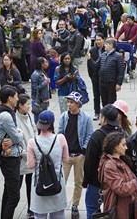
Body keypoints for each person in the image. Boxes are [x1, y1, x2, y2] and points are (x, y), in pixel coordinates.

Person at [98, 131, 137, 219]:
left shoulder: (122, 161)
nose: (126, 148)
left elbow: (134, 185)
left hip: (128, 209)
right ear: (115, 146)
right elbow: (122, 189)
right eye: (123, 145)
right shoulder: (109, 165)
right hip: (118, 211)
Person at [27, 110, 69, 219]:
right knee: (58, 214)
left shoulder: (32, 142)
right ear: (52, 123)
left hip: (39, 184)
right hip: (57, 183)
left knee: (39, 215)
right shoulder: (61, 138)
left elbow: (30, 166)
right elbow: (66, 159)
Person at [58, 91, 94, 219]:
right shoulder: (63, 117)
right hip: (66, 156)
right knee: (62, 181)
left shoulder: (87, 118)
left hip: (79, 156)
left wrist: (83, 152)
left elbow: (90, 135)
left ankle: (75, 205)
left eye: (71, 102)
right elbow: (60, 134)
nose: (68, 104)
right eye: (68, 102)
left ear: (78, 104)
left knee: (78, 182)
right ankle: (59, 205)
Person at [83, 104, 123, 219]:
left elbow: (89, 162)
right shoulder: (120, 134)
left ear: (103, 119)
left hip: (97, 182)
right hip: (115, 182)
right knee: (112, 210)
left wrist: (87, 181)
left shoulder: (97, 136)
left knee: (92, 208)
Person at [0, 85, 24, 219]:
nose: (18, 99)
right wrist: (18, 135)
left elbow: (15, 137)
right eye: (16, 96)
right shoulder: (6, 116)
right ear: (10, 98)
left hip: (10, 157)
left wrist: (15, 137)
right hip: (10, 159)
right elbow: (17, 137)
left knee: (8, 192)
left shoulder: (7, 113)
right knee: (14, 197)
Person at [16, 93, 37, 219]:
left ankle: (31, 209)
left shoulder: (29, 115)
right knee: (16, 187)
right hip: (21, 157)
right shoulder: (14, 118)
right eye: (27, 104)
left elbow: (34, 130)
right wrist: (25, 153)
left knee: (31, 185)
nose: (29, 107)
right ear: (20, 105)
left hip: (31, 154)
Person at [87, 37, 124, 105]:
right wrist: (90, 59)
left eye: (106, 44)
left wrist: (119, 83)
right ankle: (105, 114)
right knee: (104, 101)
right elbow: (96, 66)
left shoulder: (117, 56)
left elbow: (121, 71)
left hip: (111, 82)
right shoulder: (103, 55)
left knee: (111, 101)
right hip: (102, 81)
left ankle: (111, 115)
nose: (104, 45)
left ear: (111, 45)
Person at [86, 33, 104, 120]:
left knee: (104, 96)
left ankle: (104, 114)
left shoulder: (107, 50)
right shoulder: (92, 51)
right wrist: (92, 76)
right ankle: (97, 112)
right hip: (95, 77)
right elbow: (89, 65)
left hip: (105, 77)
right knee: (96, 96)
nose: (98, 42)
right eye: (97, 40)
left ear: (103, 40)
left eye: (100, 39)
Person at [31, 56, 50, 123]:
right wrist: (45, 83)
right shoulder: (35, 75)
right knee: (38, 120)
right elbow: (34, 88)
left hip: (44, 100)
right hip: (38, 101)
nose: (47, 63)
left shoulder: (43, 72)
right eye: (46, 62)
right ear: (41, 64)